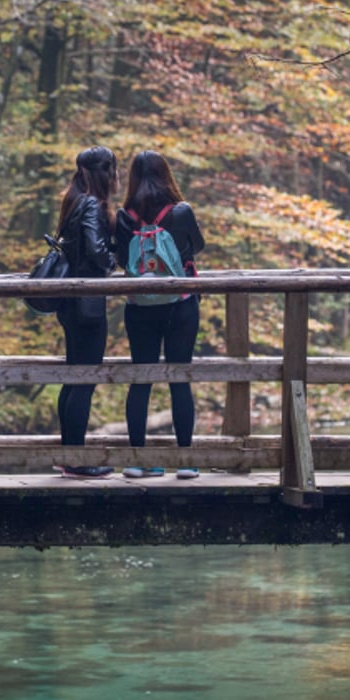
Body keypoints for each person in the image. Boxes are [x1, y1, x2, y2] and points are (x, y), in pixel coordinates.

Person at [114, 150, 205, 479]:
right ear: (166, 174)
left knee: (141, 380)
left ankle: (137, 460)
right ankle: (185, 462)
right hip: (180, 304)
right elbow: (198, 246)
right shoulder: (181, 212)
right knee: (180, 379)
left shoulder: (125, 216)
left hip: (140, 307)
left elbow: (122, 259)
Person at [53, 146, 118, 479]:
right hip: (88, 303)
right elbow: (94, 249)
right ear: (104, 172)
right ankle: (75, 460)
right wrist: (113, 264)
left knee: (73, 376)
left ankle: (69, 455)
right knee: (85, 379)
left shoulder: (74, 199)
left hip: (71, 302)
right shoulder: (92, 204)